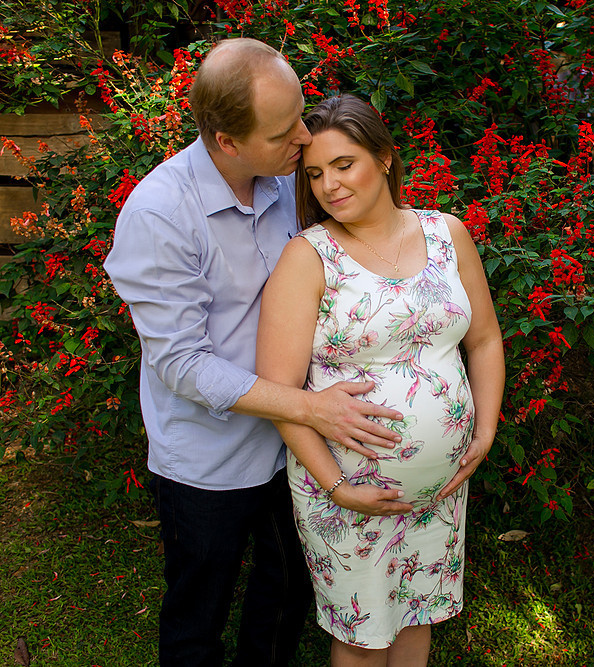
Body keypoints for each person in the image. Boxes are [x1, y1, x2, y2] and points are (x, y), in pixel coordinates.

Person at [104, 40, 407, 666]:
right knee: (200, 607)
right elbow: (181, 363)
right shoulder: (160, 214)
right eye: (282, 131)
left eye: (300, 114)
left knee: (288, 588)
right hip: (207, 459)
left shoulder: (281, 181)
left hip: (292, 444)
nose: (302, 136)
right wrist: (309, 407)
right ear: (226, 141)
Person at [256, 94, 504, 666]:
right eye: (314, 173)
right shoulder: (308, 257)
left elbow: (485, 339)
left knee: (419, 620)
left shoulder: (448, 234)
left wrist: (483, 433)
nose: (328, 185)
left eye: (344, 165)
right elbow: (281, 395)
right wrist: (337, 488)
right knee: (363, 639)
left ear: (386, 157)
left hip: (440, 491)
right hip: (348, 492)